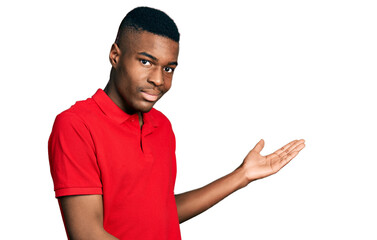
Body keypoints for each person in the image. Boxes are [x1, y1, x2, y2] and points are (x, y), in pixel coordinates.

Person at [48, 6, 305, 240]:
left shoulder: (162, 126)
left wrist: (242, 176)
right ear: (115, 55)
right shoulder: (76, 125)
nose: (159, 80)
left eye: (169, 68)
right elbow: (87, 233)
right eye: (146, 62)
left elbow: (162, 212)